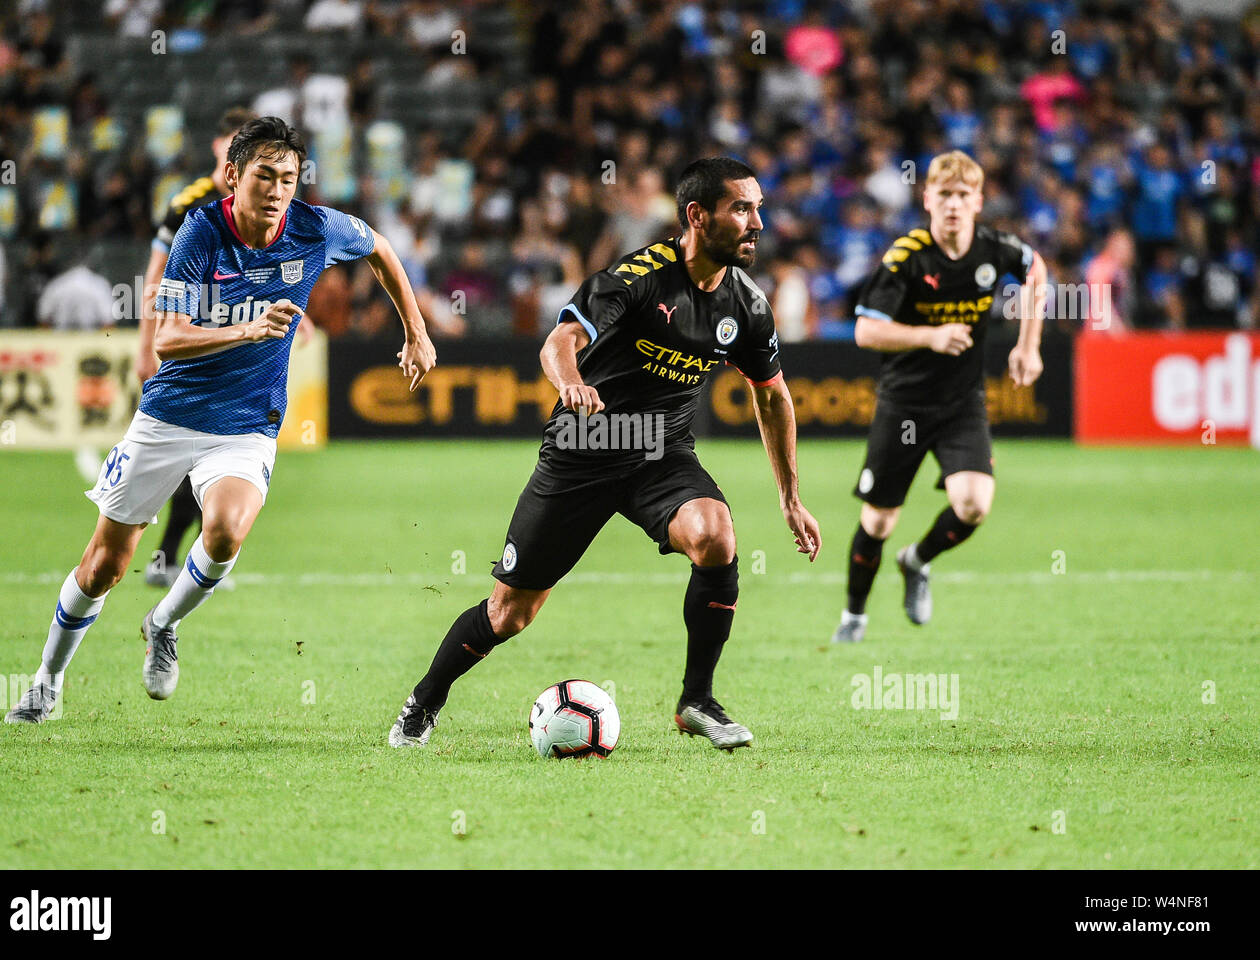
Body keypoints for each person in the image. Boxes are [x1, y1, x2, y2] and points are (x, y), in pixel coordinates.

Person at [4, 116, 436, 723]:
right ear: (233, 176)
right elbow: (170, 338)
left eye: (289, 177)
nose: (279, 188)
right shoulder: (200, 231)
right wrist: (249, 329)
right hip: (169, 418)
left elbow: (382, 250)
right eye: (265, 175)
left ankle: (163, 624)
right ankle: (47, 682)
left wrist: (416, 332)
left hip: (245, 424)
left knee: (228, 529)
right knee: (104, 564)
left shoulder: (317, 227)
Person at [389, 157, 821, 752]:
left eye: (759, 209)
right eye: (742, 209)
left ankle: (697, 701)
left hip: (660, 450)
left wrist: (790, 496)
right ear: (697, 216)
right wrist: (569, 381)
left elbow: (771, 397)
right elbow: (559, 340)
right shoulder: (637, 277)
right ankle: (424, 701)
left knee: (715, 533)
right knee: (511, 613)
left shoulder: (746, 305)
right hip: (584, 446)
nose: (757, 224)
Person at [832, 150, 1046, 644]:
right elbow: (865, 331)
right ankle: (854, 616)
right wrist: (929, 336)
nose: (953, 204)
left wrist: (1028, 345)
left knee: (973, 504)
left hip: (961, 403)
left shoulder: (995, 248)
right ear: (927, 199)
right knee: (879, 519)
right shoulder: (906, 256)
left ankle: (918, 560)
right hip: (903, 403)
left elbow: (1037, 272)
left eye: (963, 195)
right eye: (944, 194)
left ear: (978, 201)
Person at [137, 107, 315, 588]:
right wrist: (145, 348)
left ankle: (180, 556)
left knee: (214, 458)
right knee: (185, 453)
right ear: (225, 153)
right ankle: (166, 557)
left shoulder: (271, 207)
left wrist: (295, 311)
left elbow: (274, 269)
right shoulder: (191, 208)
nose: (273, 182)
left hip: (235, 344)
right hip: (192, 342)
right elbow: (154, 284)